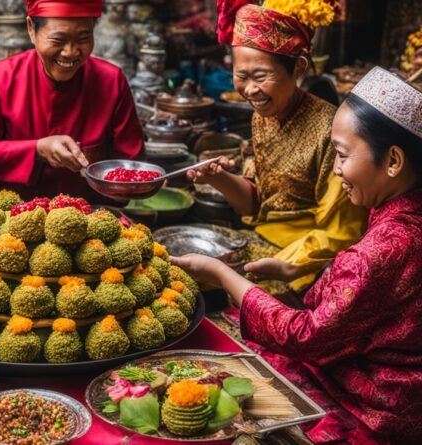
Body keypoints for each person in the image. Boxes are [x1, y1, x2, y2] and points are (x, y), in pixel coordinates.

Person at [171, 67, 422, 443]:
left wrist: (222, 274)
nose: (336, 169)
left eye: (341, 155)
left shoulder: (384, 248)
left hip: (375, 407)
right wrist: (305, 268)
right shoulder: (404, 211)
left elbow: (305, 337)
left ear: (393, 161)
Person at [190, 0, 367, 290]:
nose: (249, 90)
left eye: (261, 76)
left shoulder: (332, 131)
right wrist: (218, 178)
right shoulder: (263, 117)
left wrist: (288, 264)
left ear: (298, 68)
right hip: (260, 240)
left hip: (308, 264)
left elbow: (342, 232)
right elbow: (256, 204)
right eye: (241, 76)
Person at [0, 0, 144, 202]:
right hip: (14, 219)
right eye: (58, 40)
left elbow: (131, 163)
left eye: (84, 38)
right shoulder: (2, 77)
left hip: (92, 220)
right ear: (31, 29)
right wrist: (37, 150)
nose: (71, 52)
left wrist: (129, 186)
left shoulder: (111, 81)